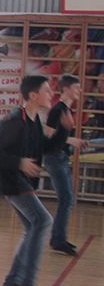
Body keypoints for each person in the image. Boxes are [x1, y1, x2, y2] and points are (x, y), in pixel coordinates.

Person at [0, 75, 72, 286]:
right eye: (47, 90)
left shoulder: (34, 120)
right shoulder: (15, 121)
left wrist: (63, 131)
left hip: (20, 181)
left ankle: (13, 282)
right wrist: (19, 162)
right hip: (10, 180)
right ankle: (26, 282)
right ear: (33, 95)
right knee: (42, 221)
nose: (51, 94)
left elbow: (46, 147)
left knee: (33, 226)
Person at [43, 74, 87, 256]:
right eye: (76, 87)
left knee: (67, 199)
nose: (80, 90)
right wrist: (70, 140)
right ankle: (58, 240)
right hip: (54, 158)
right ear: (67, 89)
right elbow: (46, 138)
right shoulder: (57, 110)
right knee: (67, 199)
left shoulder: (66, 110)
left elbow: (57, 137)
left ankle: (58, 238)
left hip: (61, 157)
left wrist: (70, 141)